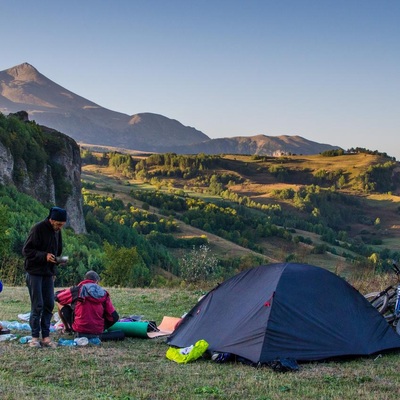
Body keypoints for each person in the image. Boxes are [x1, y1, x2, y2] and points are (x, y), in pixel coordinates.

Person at [22, 206, 67, 348]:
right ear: (51, 220)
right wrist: (44, 256)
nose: (60, 227)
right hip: (34, 272)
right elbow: (27, 250)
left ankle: (46, 337)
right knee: (38, 305)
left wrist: (57, 262)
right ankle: (35, 337)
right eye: (58, 224)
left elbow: (57, 250)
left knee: (49, 304)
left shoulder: (57, 232)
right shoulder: (38, 229)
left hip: (48, 273)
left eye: (62, 225)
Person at [55, 270, 119, 338]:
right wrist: (103, 326)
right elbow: (114, 317)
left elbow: (57, 297)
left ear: (85, 279)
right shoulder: (104, 293)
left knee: (59, 303)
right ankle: (97, 329)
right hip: (98, 330)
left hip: (79, 329)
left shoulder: (77, 290)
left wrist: (67, 291)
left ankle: (67, 328)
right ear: (97, 281)